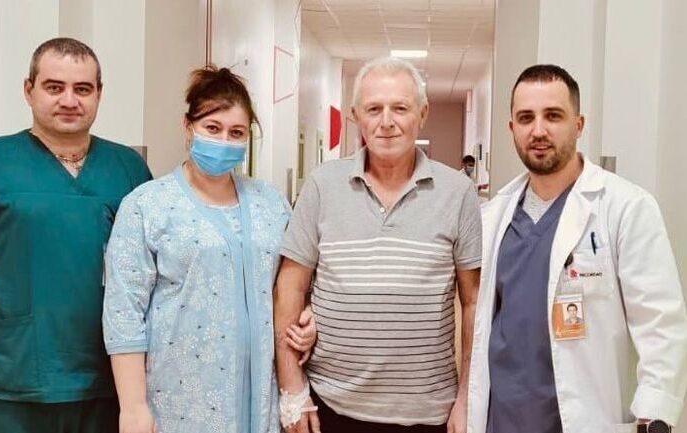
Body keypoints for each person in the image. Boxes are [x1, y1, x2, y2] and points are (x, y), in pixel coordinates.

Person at [0, 37, 152, 433]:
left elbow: (148, 270)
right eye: (54, 87)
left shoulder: (128, 168)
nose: (69, 100)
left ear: (99, 94)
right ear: (28, 90)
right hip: (14, 383)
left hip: (107, 381)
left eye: (83, 89)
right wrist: (2, 321)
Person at [467, 64, 687, 433]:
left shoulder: (624, 206)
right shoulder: (494, 217)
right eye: (526, 118)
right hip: (501, 421)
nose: (539, 130)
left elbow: (660, 322)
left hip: (584, 420)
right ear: (512, 128)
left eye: (553, 116)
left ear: (579, 124)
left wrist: (655, 415)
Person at [102, 65, 316, 433]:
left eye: (236, 133)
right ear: (187, 127)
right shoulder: (147, 206)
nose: (224, 141)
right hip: (180, 401)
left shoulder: (271, 205)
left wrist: (307, 318)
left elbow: (290, 288)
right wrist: (133, 408)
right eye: (212, 128)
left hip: (261, 402)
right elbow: (124, 313)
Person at [274, 56, 482, 433]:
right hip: (329, 406)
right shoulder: (322, 185)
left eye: (400, 108)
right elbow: (290, 286)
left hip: (427, 413)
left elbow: (473, 302)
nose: (386, 121)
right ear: (356, 116)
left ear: (422, 113)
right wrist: (292, 389)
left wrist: (467, 397)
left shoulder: (458, 192)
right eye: (373, 109)